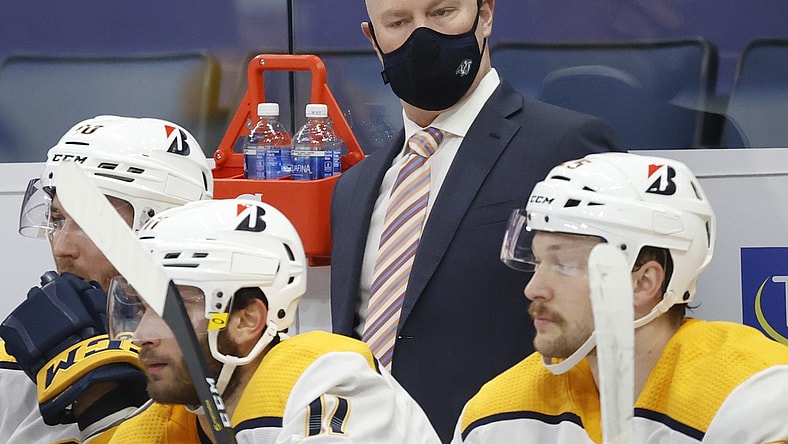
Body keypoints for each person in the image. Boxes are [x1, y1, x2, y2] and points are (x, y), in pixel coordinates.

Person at [329, 0, 619, 439]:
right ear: (374, 40)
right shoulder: (353, 189)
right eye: (399, 22)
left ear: (484, 15)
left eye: (442, 12)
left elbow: (617, 323)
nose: (421, 36)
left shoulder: (566, 146)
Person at [452, 152, 788, 443]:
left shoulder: (758, 397)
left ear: (644, 283)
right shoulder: (495, 415)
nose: (534, 288)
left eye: (564, 265)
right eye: (538, 262)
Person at [101, 198, 441, 443]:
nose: (142, 334)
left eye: (171, 310)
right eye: (141, 308)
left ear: (247, 320)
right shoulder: (157, 428)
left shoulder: (331, 380)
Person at [0, 115, 214, 443]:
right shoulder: (12, 355)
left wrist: (99, 392)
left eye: (92, 223)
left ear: (166, 226)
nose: (62, 247)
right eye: (57, 219)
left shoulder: (228, 350)